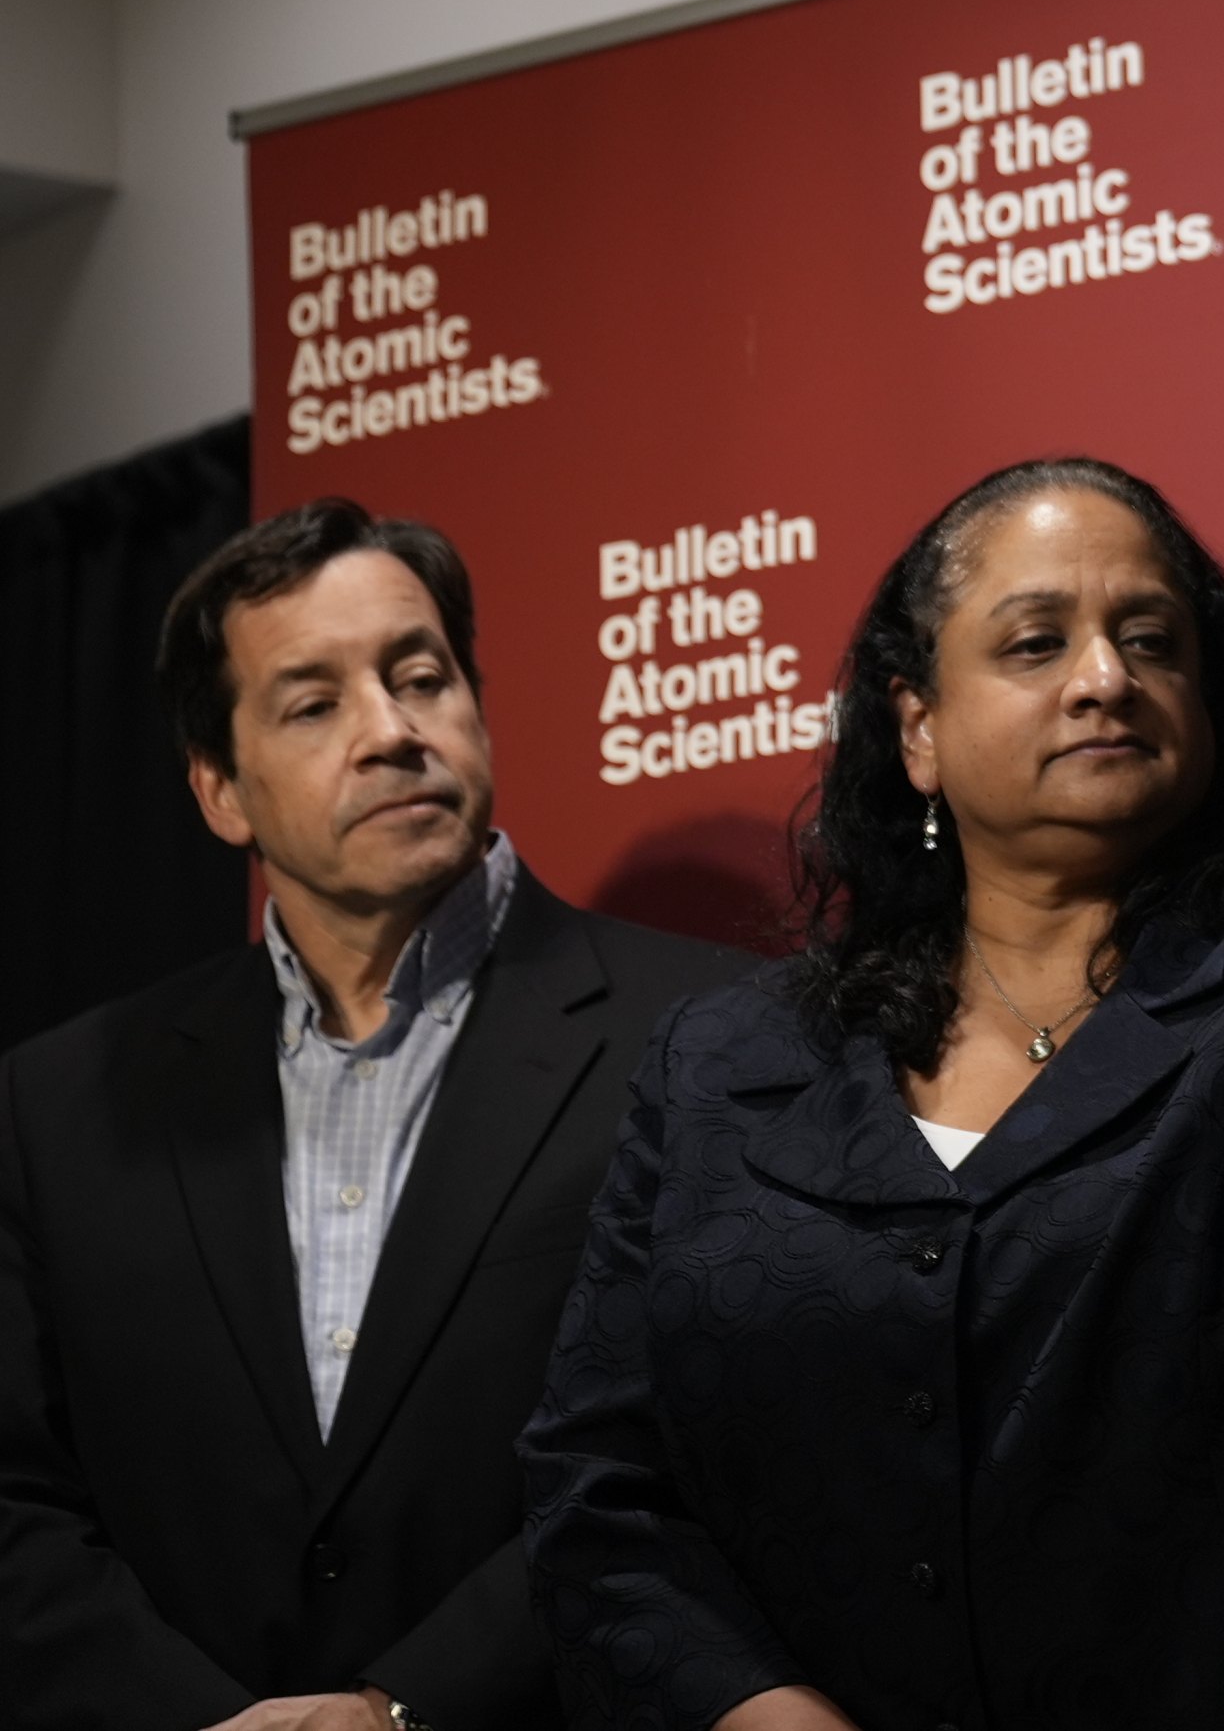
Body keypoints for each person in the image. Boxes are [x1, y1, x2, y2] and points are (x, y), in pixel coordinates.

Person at [520, 458, 1224, 1729]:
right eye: (1036, 643)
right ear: (917, 729)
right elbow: (600, 1486)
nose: (1106, 677)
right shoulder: (717, 1066)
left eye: (1150, 640)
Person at [0, 501, 742, 1731]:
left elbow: (715, 1439)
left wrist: (402, 1707)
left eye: (420, 676)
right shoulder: (54, 1105)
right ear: (219, 790)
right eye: (313, 703)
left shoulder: (711, 1036)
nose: (393, 732)